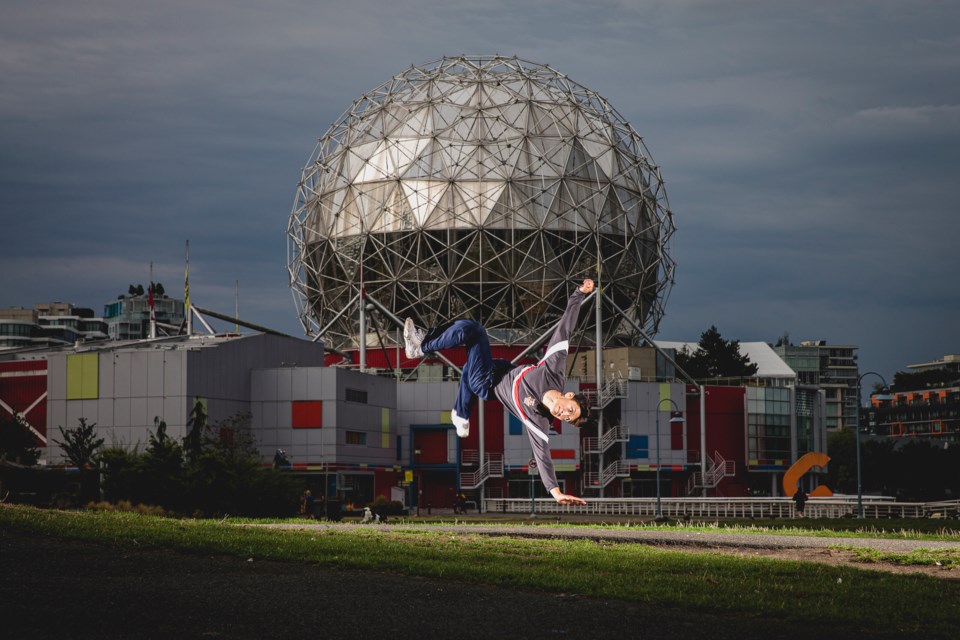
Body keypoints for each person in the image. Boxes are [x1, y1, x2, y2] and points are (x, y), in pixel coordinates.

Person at [404, 279, 595, 506]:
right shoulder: (553, 372)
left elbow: (544, 458)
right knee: (469, 360)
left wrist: (555, 492)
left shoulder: (538, 419)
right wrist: (578, 294)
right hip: (499, 369)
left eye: (566, 418)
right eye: (569, 410)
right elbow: (565, 330)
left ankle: (421, 346)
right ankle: (461, 414)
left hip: (486, 383)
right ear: (569, 396)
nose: (562, 413)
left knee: (474, 331)